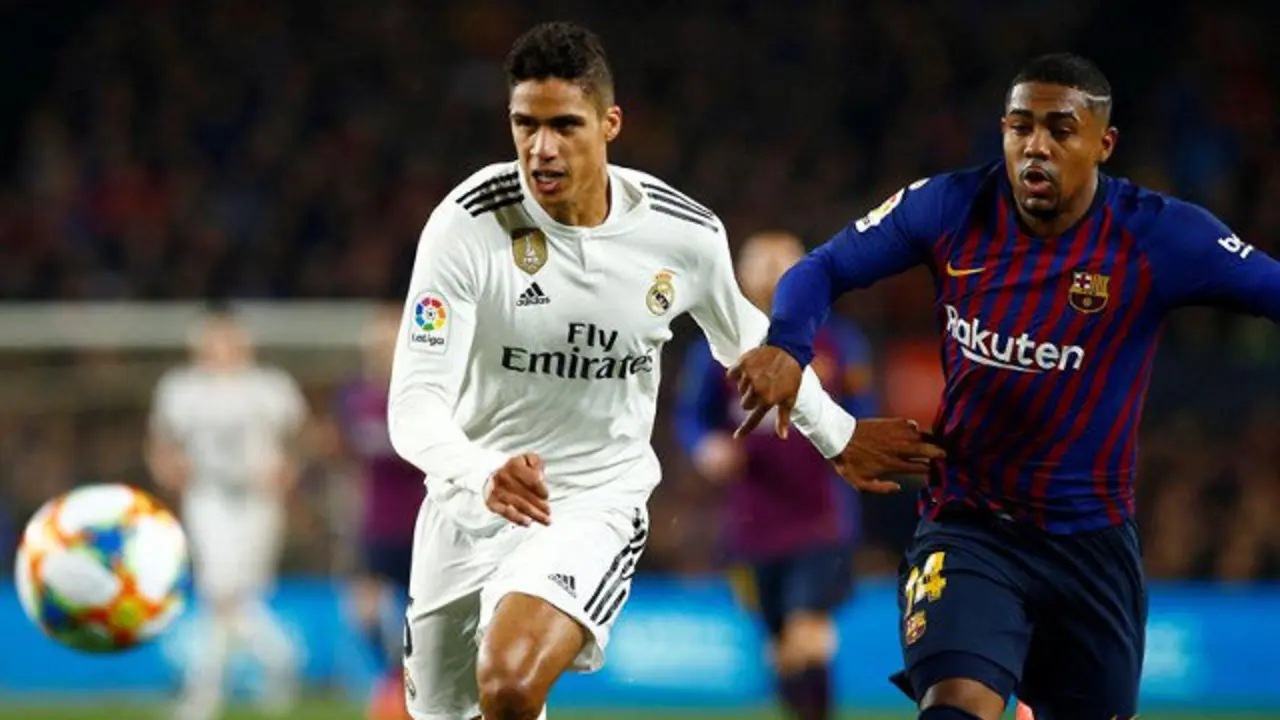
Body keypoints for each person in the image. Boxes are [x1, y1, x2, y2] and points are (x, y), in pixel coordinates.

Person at [387, 21, 915, 720]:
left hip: (590, 500)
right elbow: (415, 401)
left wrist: (838, 434)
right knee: (450, 709)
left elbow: (754, 346)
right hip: (467, 499)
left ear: (610, 123)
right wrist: (480, 471)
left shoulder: (682, 235)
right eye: (525, 125)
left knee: (510, 683)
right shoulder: (468, 224)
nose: (541, 150)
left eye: (564, 126)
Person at [730, 53, 1280, 720]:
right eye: (1020, 128)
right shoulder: (951, 206)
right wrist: (788, 344)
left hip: (1092, 546)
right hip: (969, 527)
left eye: (1060, 129)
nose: (1035, 147)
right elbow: (820, 268)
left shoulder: (1159, 235)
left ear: (1104, 144)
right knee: (955, 707)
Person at [675, 231, 876, 720]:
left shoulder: (836, 343)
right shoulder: (718, 351)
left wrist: (849, 446)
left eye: (780, 262)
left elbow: (864, 412)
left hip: (820, 516)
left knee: (809, 633)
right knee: (781, 646)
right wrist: (708, 448)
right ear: (740, 275)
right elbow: (692, 419)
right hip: (751, 522)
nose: (768, 272)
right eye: (757, 262)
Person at [146, 306, 307, 720]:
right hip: (208, 495)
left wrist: (289, 470)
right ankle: (218, 690)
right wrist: (167, 469)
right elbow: (160, 442)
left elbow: (302, 436)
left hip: (258, 499)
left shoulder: (270, 386)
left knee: (240, 594)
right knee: (220, 590)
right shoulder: (181, 388)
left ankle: (273, 668)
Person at [333, 305, 425, 720]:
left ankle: (419, 685)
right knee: (363, 606)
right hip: (377, 521)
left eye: (390, 341)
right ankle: (394, 675)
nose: (383, 349)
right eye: (377, 342)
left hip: (423, 520)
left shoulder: (424, 394)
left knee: (421, 612)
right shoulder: (355, 397)